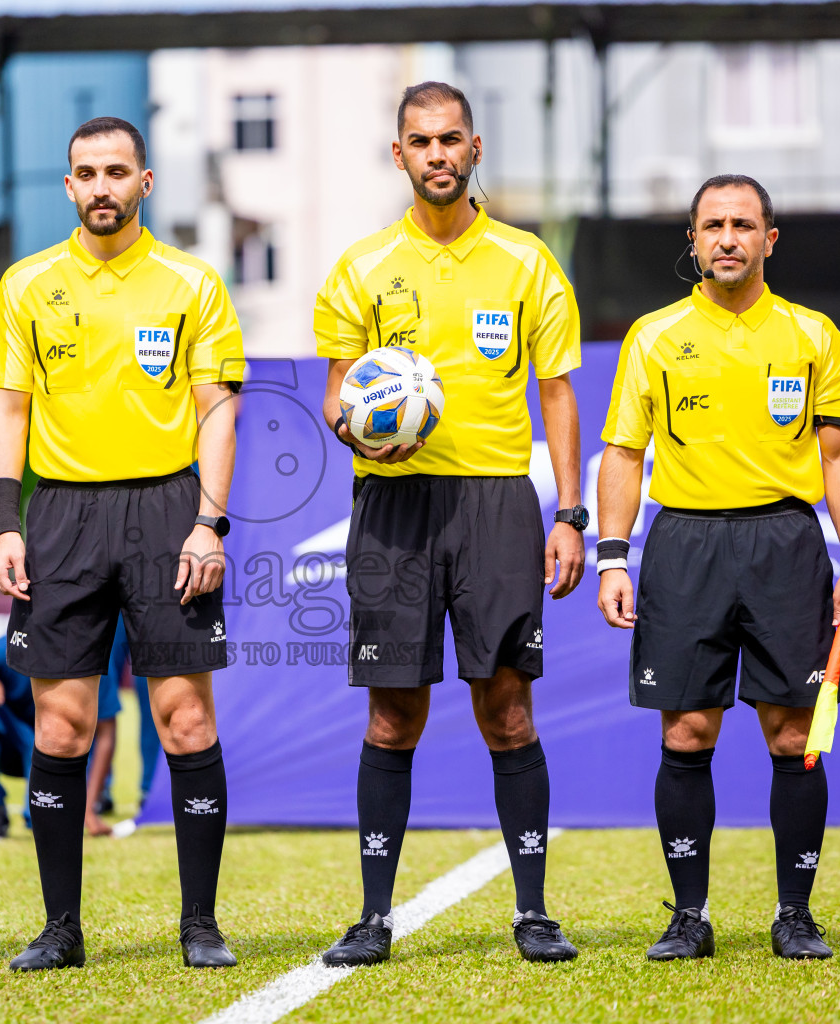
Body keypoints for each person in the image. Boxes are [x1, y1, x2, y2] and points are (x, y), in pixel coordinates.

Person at [314, 82, 586, 967]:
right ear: (399, 155)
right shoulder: (360, 266)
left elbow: (556, 394)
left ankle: (536, 912)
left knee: (507, 708)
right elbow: (336, 397)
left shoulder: (527, 261)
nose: (436, 154)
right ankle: (373, 917)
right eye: (420, 142)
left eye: (451, 140)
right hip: (393, 505)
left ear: (475, 150)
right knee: (394, 714)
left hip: (496, 502)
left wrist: (571, 513)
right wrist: (360, 428)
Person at [0, 116, 243, 971]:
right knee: (61, 727)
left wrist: (209, 521)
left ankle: (199, 924)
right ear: (68, 186)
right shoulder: (27, 284)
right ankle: (61, 929)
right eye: (86, 172)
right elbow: (9, 411)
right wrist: (6, 521)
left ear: (146, 182)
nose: (102, 186)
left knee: (184, 717)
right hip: (60, 516)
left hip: (168, 512)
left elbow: (216, 410)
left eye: (117, 171)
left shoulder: (191, 282)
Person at [595, 174, 840, 961]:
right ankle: (689, 915)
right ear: (692, 239)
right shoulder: (652, 335)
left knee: (793, 737)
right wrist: (614, 556)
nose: (726, 238)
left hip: (785, 543)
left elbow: (839, 455)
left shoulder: (813, 333)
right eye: (712, 225)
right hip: (683, 543)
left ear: (768, 239)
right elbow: (623, 452)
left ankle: (795, 914)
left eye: (742, 225)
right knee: (685, 729)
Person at [0, 634, 123, 840]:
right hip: (13, 742)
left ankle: (85, 801)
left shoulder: (92, 656)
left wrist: (89, 807)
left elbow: (105, 732)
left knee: (45, 823)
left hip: (68, 753)